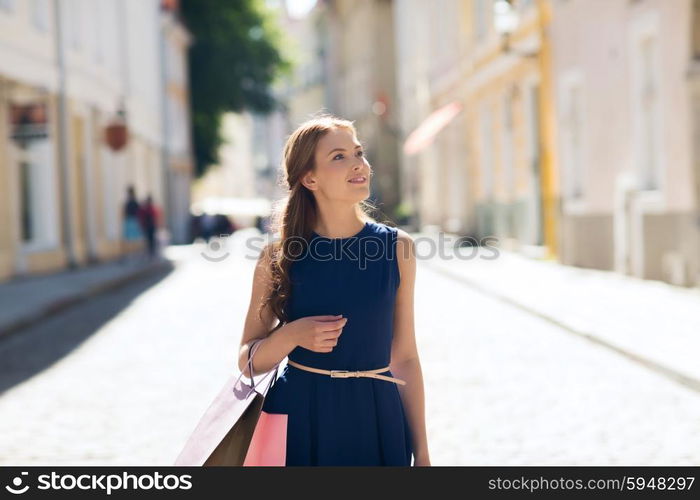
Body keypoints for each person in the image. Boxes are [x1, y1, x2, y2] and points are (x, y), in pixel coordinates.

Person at [236, 113, 430, 466]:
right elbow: (247, 362)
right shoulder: (278, 257)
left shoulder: (397, 248)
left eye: (358, 153)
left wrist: (424, 454)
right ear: (309, 178)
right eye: (339, 157)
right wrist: (292, 335)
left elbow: (405, 357)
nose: (358, 164)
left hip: (379, 417)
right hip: (301, 418)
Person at [120, 185, 142, 264]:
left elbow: (138, 211)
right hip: (130, 220)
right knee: (129, 239)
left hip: (133, 220)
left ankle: (134, 254)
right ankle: (130, 255)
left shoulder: (133, 202)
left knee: (133, 239)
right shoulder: (130, 202)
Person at [137, 194, 160, 261]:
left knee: (151, 240)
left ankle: (152, 253)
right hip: (148, 226)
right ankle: (150, 253)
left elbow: (155, 216)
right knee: (150, 240)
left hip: (150, 226)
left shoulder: (150, 208)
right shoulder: (147, 208)